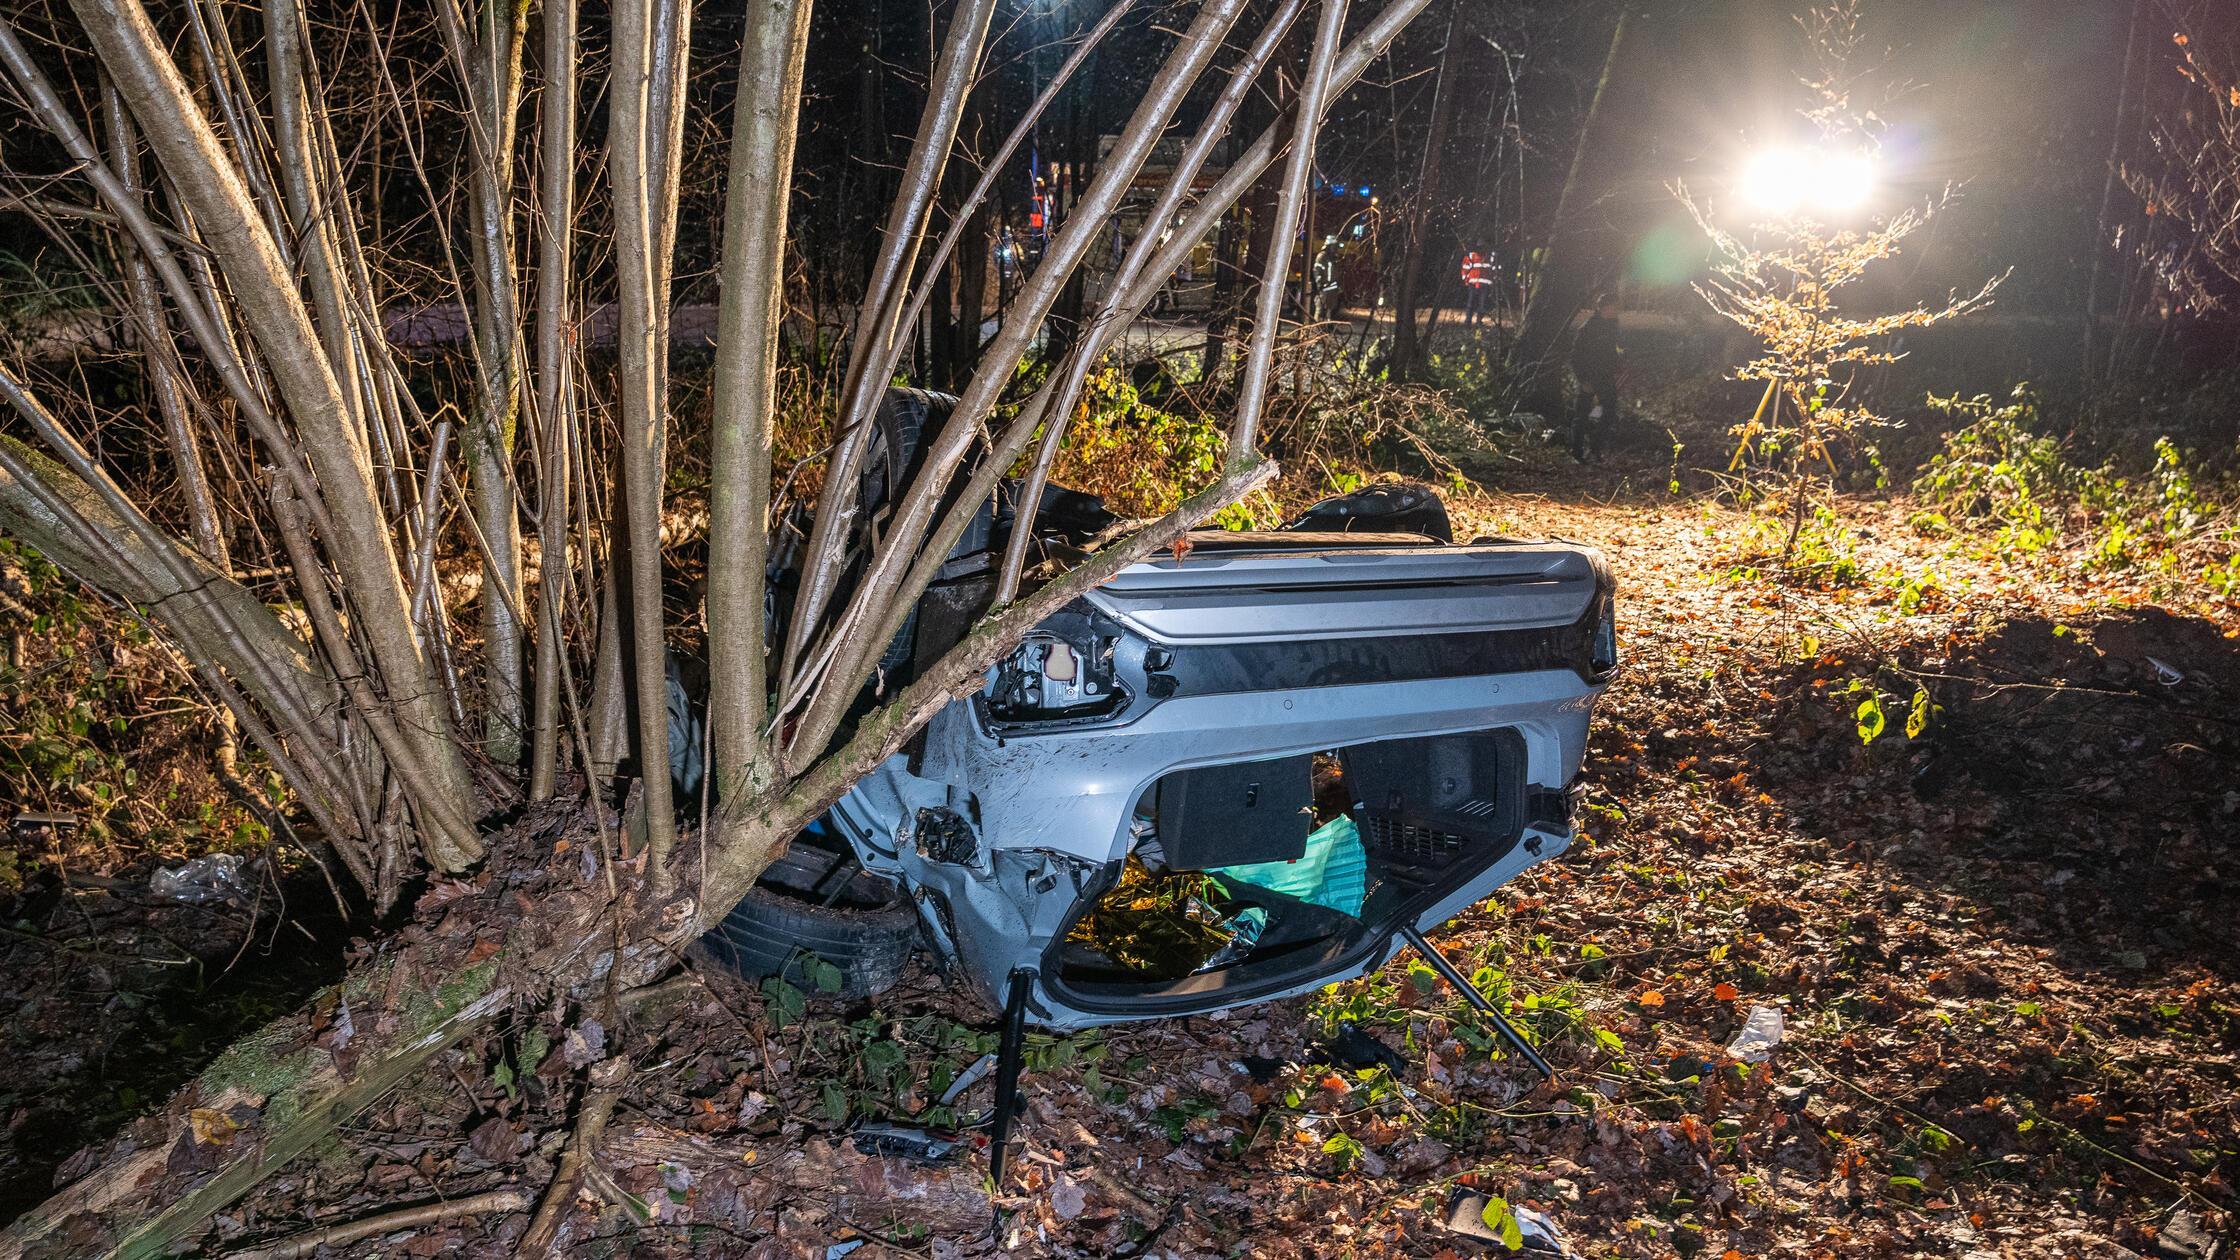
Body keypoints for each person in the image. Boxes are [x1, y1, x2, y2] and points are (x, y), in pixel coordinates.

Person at [1569, 293, 1622, 462]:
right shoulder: (1589, 328)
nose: (1617, 310)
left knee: (1609, 412)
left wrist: (1618, 362)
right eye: (1615, 307)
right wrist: (1583, 380)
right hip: (1589, 376)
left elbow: (1615, 349)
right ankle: (1576, 451)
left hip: (1605, 376)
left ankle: (1595, 448)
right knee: (1581, 414)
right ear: (1605, 308)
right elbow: (1576, 356)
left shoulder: (1613, 326)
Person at [1459, 248, 1495, 327]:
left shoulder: (1490, 255)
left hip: (1482, 284)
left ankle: (1477, 321)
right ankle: (1469, 321)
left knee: (1481, 304)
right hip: (1475, 284)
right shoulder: (1472, 255)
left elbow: (1494, 269)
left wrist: (1466, 280)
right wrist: (1466, 280)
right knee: (1473, 303)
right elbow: (1465, 267)